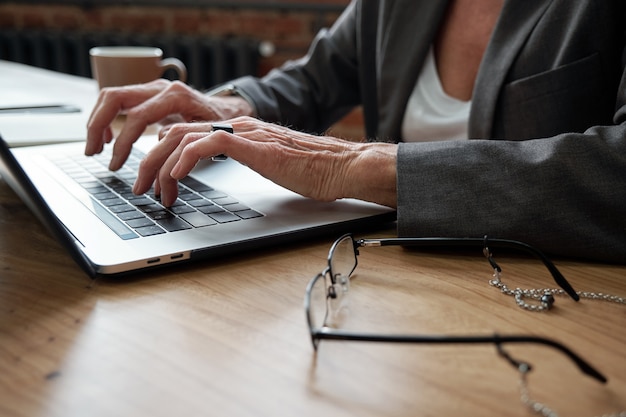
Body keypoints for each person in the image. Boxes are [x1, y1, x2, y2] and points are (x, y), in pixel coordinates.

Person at [85, 0, 626, 263]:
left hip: (540, 292)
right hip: (380, 272)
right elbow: (315, 79)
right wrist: (226, 105)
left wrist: (351, 166)